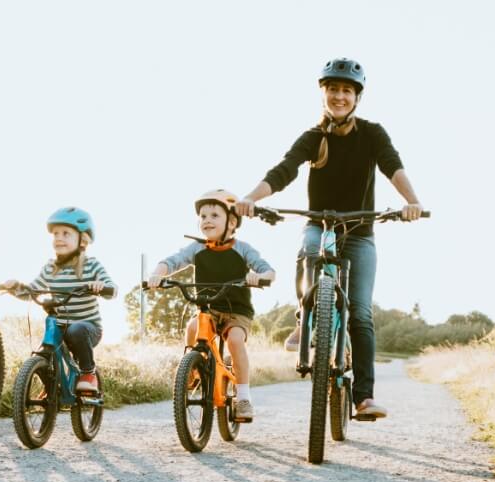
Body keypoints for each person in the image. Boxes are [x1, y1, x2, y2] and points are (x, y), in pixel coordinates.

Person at [233, 57, 424, 419]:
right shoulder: (314, 137)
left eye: (346, 91)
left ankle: (363, 398)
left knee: (361, 314)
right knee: (307, 247)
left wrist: (411, 202)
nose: (339, 96)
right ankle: (304, 318)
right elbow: (284, 169)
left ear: (356, 97)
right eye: (333, 89)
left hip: (360, 232)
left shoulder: (372, 134)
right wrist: (250, 199)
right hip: (319, 225)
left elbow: (391, 164)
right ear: (323, 95)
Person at [148, 190, 276, 421]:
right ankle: (193, 370)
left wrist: (260, 276)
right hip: (208, 308)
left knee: (235, 340)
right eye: (203, 216)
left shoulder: (242, 248)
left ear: (232, 222)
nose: (207, 220)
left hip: (237, 310)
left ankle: (244, 397)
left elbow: (267, 270)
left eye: (215, 215)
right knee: (192, 328)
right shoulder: (197, 248)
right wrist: (158, 274)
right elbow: (172, 261)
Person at [0, 208, 116, 394]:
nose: (59, 238)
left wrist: (100, 285)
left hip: (88, 329)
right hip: (61, 327)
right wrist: (15, 287)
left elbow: (112, 290)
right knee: (48, 343)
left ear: (82, 240)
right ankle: (53, 385)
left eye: (66, 234)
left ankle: (88, 373)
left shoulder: (92, 265)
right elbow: (32, 291)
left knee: (76, 329)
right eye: (55, 234)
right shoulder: (50, 268)